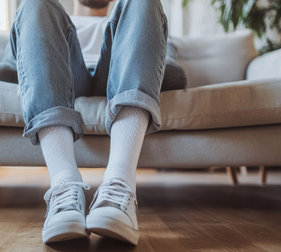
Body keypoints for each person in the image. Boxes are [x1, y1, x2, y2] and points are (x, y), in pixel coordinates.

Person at [9, 0, 169, 245]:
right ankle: (64, 184)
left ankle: (120, 183)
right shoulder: (54, 16)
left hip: (117, 75)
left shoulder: (130, 14)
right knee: (35, 4)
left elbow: (170, 70)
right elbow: (8, 67)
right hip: (68, 77)